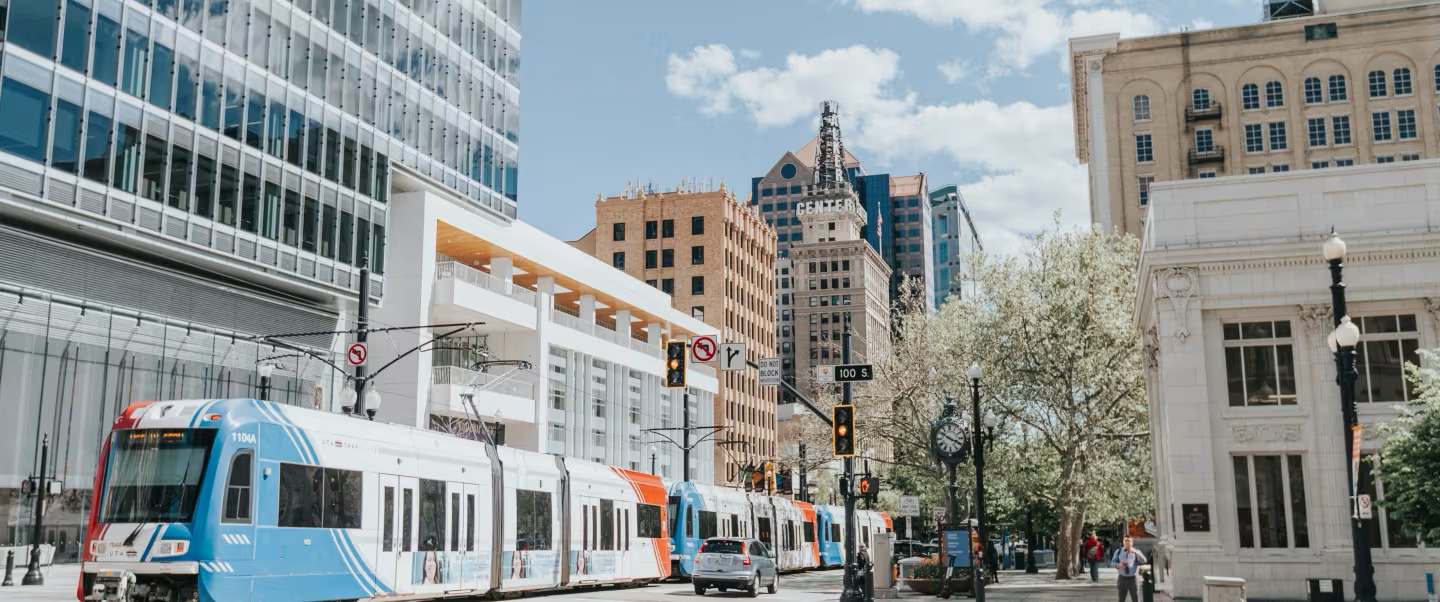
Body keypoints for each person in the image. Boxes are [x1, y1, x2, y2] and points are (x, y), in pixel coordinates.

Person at [1112, 536, 1148, 602]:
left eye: (1129, 541)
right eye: (1125, 541)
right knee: (1121, 599)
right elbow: (1113, 562)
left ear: (1132, 542)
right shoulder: (1118, 551)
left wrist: (1136, 553)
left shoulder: (1137, 551)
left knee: (1135, 599)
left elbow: (1144, 561)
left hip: (1133, 579)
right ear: (1123, 542)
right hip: (1122, 578)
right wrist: (1119, 565)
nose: (1127, 542)